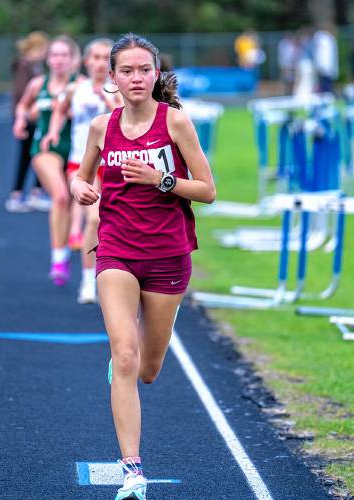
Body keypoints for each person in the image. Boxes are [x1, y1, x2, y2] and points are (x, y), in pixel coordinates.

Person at [70, 33, 215, 500]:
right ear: (111, 78)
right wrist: (80, 189)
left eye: (143, 70)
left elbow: (208, 190)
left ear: (156, 74)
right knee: (125, 354)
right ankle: (132, 470)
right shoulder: (100, 127)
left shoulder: (176, 123)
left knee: (148, 369)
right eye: (126, 71)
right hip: (116, 250)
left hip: (168, 255)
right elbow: (81, 175)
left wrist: (163, 180)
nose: (135, 78)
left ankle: (127, 368)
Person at [41, 38, 123, 304]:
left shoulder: (117, 90)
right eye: (95, 58)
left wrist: (108, 102)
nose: (99, 63)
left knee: (113, 224)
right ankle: (89, 283)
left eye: (104, 58)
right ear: (86, 62)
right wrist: (53, 131)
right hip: (81, 165)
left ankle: (116, 277)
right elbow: (59, 110)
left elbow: (125, 121)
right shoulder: (76, 88)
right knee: (95, 219)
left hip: (112, 166)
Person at [13, 35, 80, 286]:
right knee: (61, 196)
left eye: (65, 55)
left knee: (77, 200)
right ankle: (58, 258)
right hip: (45, 148)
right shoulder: (38, 84)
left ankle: (76, 243)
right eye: (54, 55)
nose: (59, 60)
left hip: (76, 149)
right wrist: (21, 120)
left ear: (74, 59)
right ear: (48, 58)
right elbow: (22, 106)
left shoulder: (81, 85)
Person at [6, 31, 49, 213]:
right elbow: (22, 92)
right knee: (27, 156)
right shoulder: (25, 66)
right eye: (44, 49)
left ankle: (35, 192)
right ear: (36, 48)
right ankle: (17, 195)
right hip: (28, 118)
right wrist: (23, 115)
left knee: (40, 154)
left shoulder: (35, 66)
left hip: (35, 117)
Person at [313, 28, 338, 93]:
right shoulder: (323, 41)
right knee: (324, 84)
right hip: (324, 66)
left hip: (326, 66)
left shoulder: (327, 40)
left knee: (327, 84)